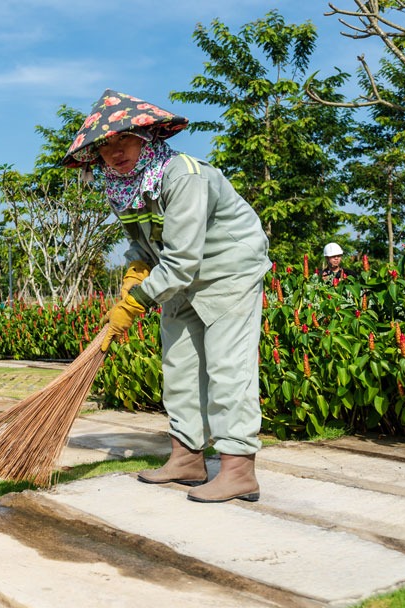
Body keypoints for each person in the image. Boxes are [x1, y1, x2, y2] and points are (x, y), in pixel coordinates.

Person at [63, 89, 271, 503]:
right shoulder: (121, 187)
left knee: (228, 369)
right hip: (178, 280)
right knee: (179, 367)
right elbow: (145, 247)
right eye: (104, 147)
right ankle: (187, 458)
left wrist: (138, 300)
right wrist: (133, 276)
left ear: (147, 136)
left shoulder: (183, 176)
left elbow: (182, 258)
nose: (115, 152)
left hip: (228, 272)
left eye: (123, 139)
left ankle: (237, 468)